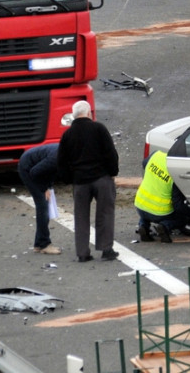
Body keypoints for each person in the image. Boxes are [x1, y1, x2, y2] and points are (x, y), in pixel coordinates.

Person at [56, 100, 120, 262]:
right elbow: (110, 153)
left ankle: (82, 253)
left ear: (74, 115)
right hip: (101, 178)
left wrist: (69, 179)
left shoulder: (67, 135)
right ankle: (106, 250)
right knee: (105, 213)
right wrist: (113, 172)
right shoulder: (98, 128)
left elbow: (62, 161)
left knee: (81, 217)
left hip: (80, 182)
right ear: (89, 113)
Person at [134, 150, 190, 243]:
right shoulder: (175, 174)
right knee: (182, 219)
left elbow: (144, 164)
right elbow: (178, 206)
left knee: (146, 211)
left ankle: (143, 227)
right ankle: (165, 226)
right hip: (160, 213)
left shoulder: (156, 155)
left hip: (140, 205)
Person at [17, 142, 61, 255]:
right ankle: (44, 244)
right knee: (42, 205)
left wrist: (49, 186)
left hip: (34, 166)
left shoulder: (63, 153)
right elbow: (35, 172)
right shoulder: (57, 157)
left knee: (44, 203)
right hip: (28, 168)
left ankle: (38, 244)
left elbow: (51, 171)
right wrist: (44, 188)